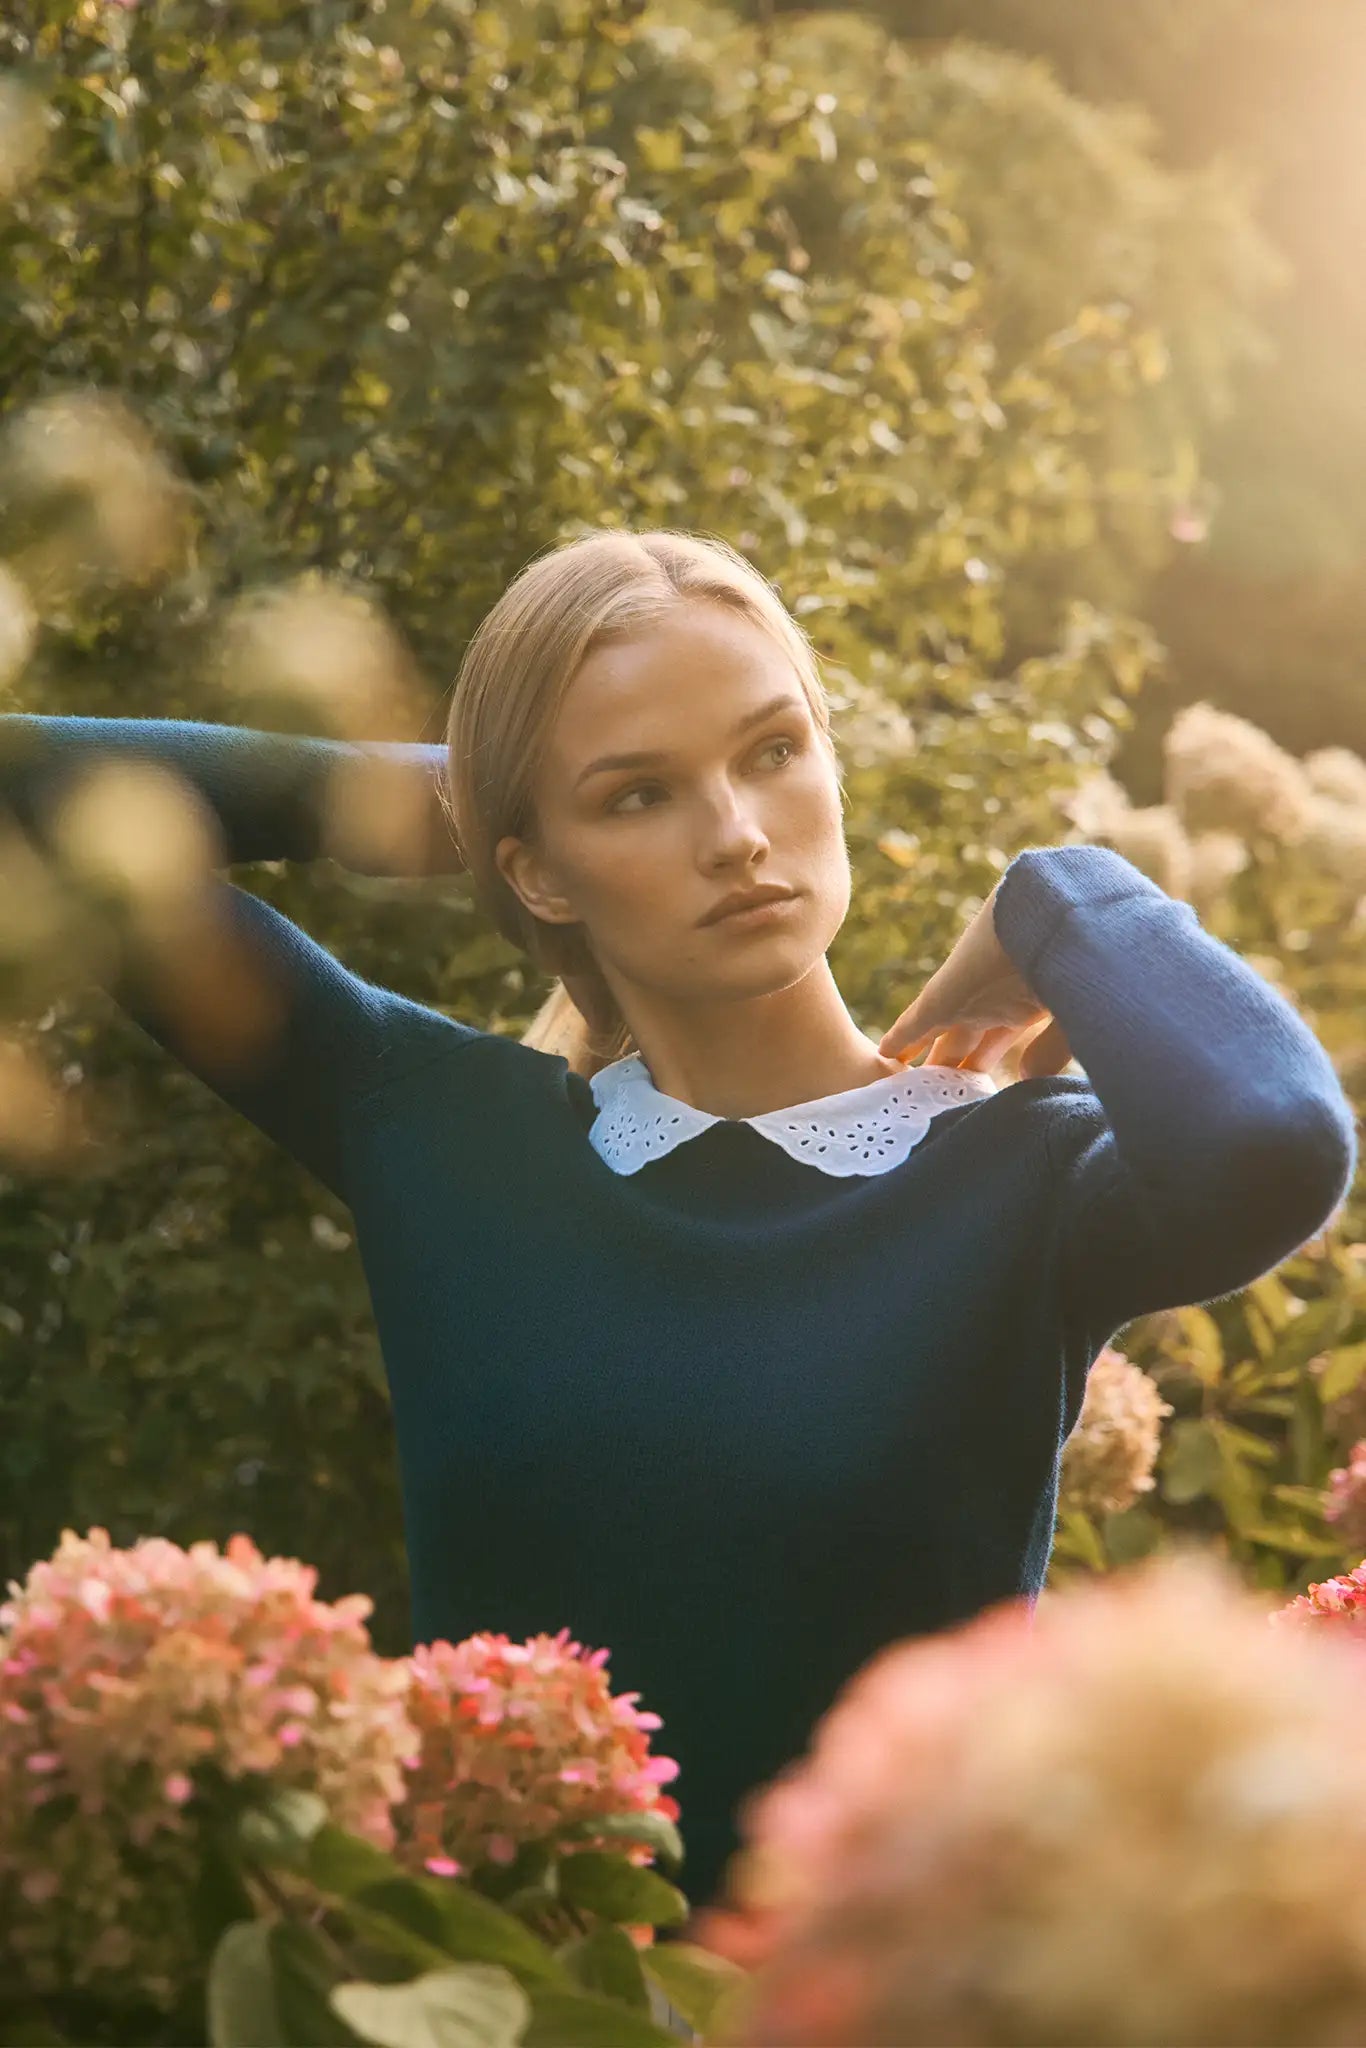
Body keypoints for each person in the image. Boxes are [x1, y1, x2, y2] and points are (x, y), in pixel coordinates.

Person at [0, 527, 1357, 1942]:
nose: (734, 832)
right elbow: (33, 786)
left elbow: (1274, 1142)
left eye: (772, 750)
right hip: (502, 2011)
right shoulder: (431, 1128)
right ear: (533, 870)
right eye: (639, 793)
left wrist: (1056, 897)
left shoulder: (1018, 1176)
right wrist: (459, 800)